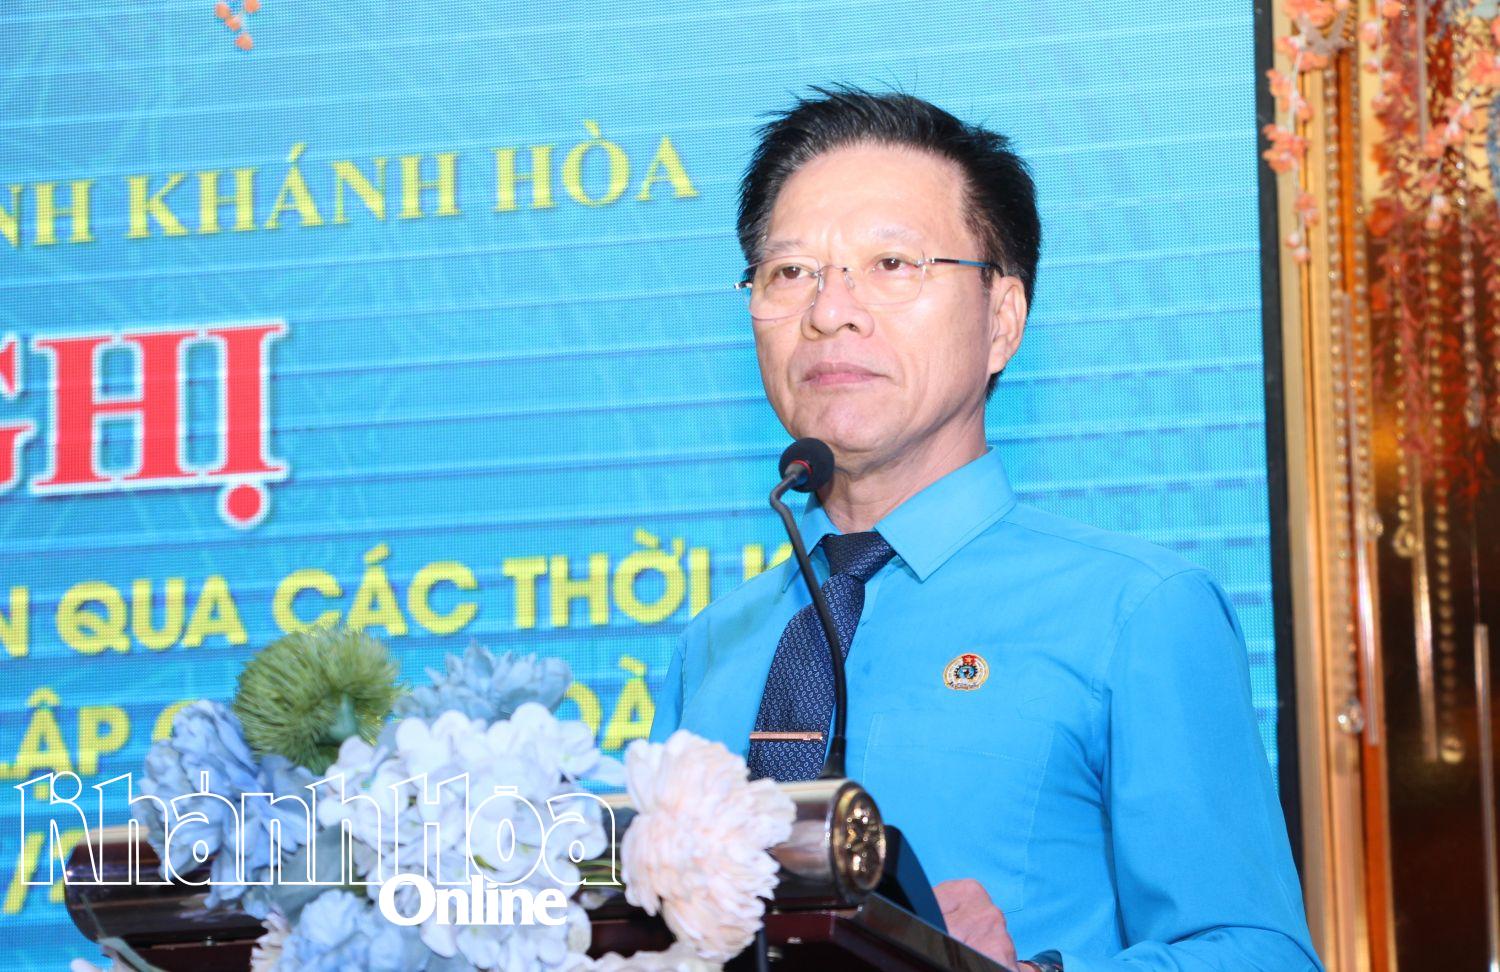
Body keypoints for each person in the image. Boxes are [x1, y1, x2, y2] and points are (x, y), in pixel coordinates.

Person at [648, 86, 1322, 972]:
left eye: (892, 264)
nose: (829, 310)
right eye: (789, 272)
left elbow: (1261, 954)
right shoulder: (712, 647)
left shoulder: (1138, 611)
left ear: (1002, 320)